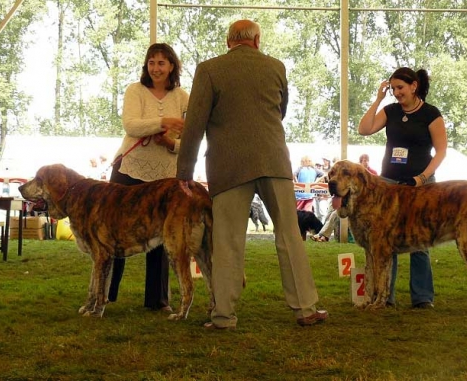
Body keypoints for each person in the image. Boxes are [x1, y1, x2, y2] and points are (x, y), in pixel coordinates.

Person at [176, 19, 327, 329]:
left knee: (228, 240)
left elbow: (194, 125)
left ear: (229, 41)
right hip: (274, 161)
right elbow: (280, 110)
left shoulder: (209, 69)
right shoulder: (276, 66)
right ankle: (306, 308)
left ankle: (223, 316)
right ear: (257, 40)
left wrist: (185, 171)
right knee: (289, 236)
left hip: (228, 166)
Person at [107, 43, 189, 312]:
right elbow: (131, 125)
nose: (156, 68)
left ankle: (157, 300)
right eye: (151, 62)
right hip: (129, 167)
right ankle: (106, 293)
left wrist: (170, 144)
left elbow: (190, 137)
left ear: (172, 66)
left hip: (165, 174)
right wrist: (165, 123)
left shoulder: (182, 97)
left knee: (160, 235)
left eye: (161, 63)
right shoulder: (135, 90)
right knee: (113, 229)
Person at [357, 67, 447, 309]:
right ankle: (386, 296)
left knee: (420, 240)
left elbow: (441, 151)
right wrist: (378, 99)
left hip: (421, 184)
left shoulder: (430, 114)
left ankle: (422, 297)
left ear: (414, 86)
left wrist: (422, 177)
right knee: (385, 240)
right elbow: (364, 129)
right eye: (393, 89)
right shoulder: (391, 111)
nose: (396, 93)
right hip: (389, 183)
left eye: (400, 88)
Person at [311, 154, 377, 242]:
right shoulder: (353, 170)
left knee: (335, 214)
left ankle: (323, 235)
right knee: (331, 211)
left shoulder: (371, 173)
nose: (365, 162)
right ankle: (323, 235)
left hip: (363, 203)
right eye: (363, 160)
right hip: (343, 197)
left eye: (366, 160)